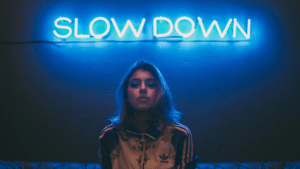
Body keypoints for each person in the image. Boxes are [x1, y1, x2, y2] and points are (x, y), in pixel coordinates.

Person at [98, 60, 197, 169]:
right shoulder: (109, 136)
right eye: (135, 84)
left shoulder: (180, 135)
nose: (143, 89)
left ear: (160, 92)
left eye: (151, 84)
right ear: (126, 95)